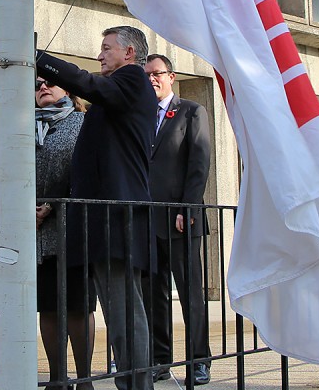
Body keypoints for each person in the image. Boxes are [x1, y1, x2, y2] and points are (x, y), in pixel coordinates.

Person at [36, 26, 157, 390]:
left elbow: (86, 83)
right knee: (118, 309)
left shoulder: (133, 80)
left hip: (116, 217)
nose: (100, 55)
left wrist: (40, 57)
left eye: (106, 48)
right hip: (101, 219)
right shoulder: (116, 94)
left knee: (123, 311)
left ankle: (137, 384)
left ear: (130, 54)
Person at [143, 54, 212, 386]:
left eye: (157, 74)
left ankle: (200, 360)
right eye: (147, 75)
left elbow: (198, 165)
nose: (152, 79)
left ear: (171, 76)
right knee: (155, 294)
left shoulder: (191, 111)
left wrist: (189, 208)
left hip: (181, 220)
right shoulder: (140, 116)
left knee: (190, 293)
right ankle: (160, 359)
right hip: (147, 220)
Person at [34, 77, 96, 390]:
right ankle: (58, 377)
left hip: (72, 226)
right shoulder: (22, 125)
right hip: (37, 232)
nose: (42, 87)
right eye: (36, 85)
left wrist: (54, 206)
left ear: (66, 90)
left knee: (77, 304)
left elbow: (86, 173)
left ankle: (84, 377)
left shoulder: (82, 123)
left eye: (49, 83)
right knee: (47, 305)